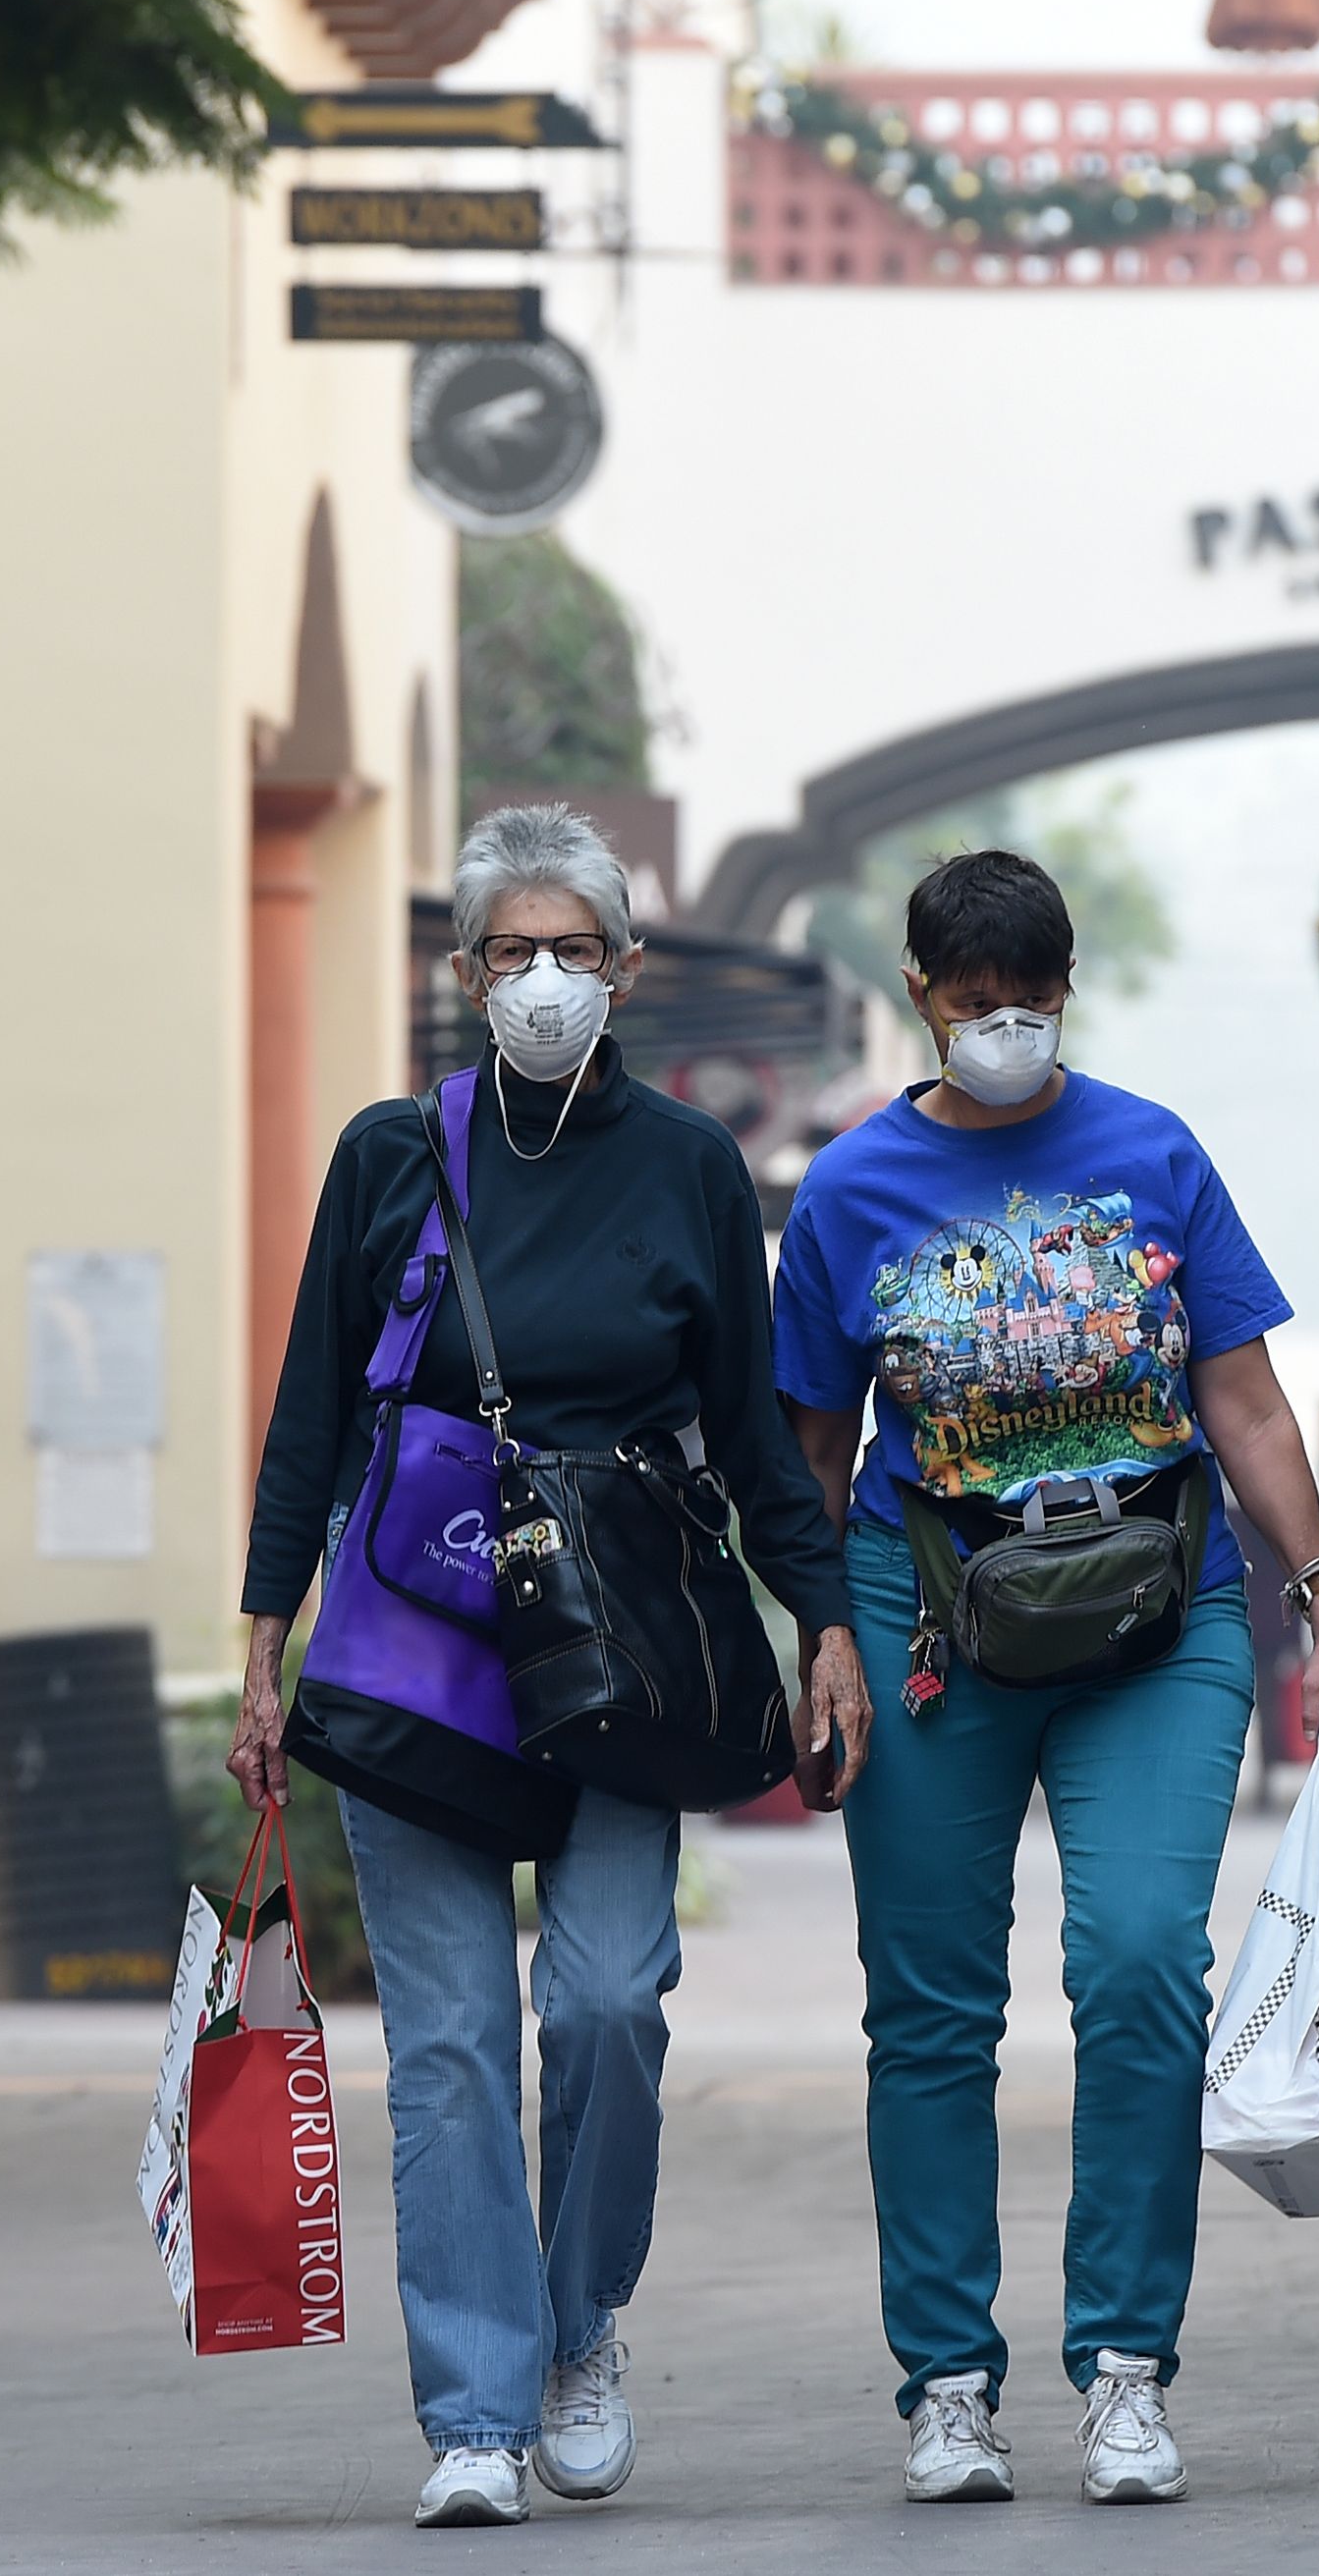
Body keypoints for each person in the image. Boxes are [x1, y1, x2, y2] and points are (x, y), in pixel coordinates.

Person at [230, 803, 870, 2531]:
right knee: (443, 2046)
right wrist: (257, 1649)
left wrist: (821, 1625)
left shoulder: (682, 1168)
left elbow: (750, 1430)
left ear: (626, 973)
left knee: (600, 2002)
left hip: (623, 1644)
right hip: (419, 1631)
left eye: (572, 953)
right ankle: (474, 2413)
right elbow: (308, 1417)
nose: (541, 981)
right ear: (462, 975)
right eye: (510, 953)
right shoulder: (390, 1155)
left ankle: (583, 2331)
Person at [774, 850, 1319, 2508]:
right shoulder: (848, 1192)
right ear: (920, 994)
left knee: (1135, 1969)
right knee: (934, 2007)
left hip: (1155, 1616)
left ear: (1066, 991)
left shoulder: (1152, 1152)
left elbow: (1245, 1403)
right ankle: (949, 2384)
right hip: (928, 1625)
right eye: (977, 1007)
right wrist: (818, 1637)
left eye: (1033, 1004)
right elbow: (812, 1453)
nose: (1007, 1032)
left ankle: (1124, 2366)